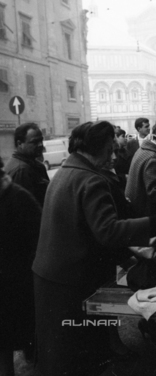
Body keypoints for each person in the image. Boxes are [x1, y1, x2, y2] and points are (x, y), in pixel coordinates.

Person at [32, 121, 156, 376]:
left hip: (51, 276)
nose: (114, 156)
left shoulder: (66, 171)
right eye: (109, 149)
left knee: (59, 353)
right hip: (70, 279)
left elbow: (87, 230)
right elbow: (108, 230)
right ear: (95, 148)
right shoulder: (91, 180)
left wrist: (130, 253)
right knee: (77, 354)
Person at [0, 157, 41, 376]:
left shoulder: (18, 197)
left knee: (27, 334)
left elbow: (38, 236)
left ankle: (32, 364)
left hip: (18, 280)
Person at [5, 123, 49, 207]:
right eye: (35, 142)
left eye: (41, 140)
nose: (40, 145)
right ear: (19, 143)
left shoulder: (35, 165)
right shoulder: (22, 170)